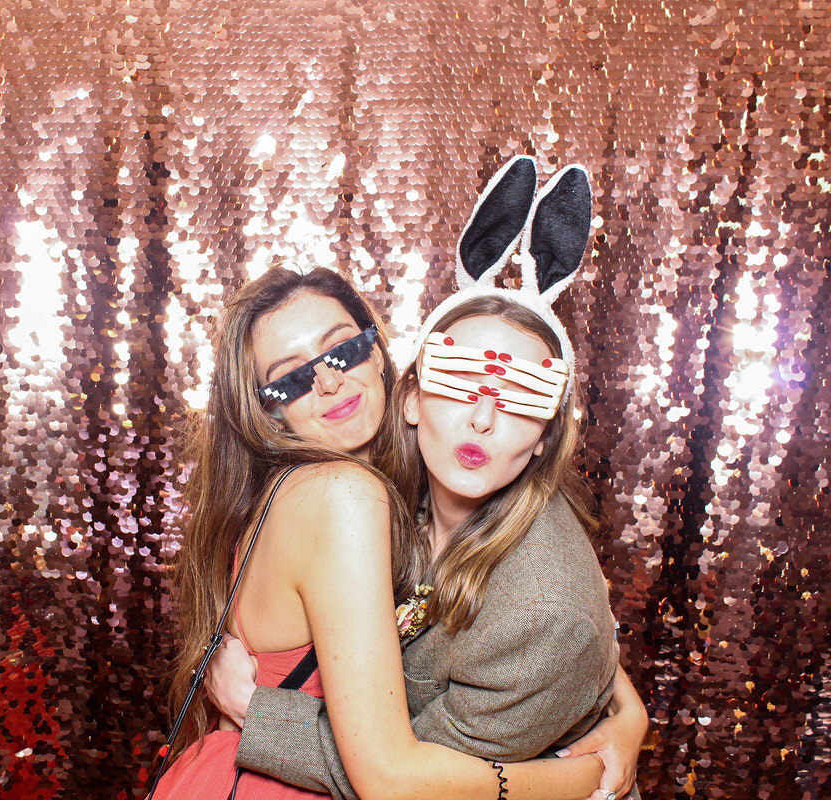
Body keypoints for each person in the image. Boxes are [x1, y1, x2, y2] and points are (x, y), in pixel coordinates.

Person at [206, 159, 645, 800]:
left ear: (547, 434)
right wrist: (621, 703)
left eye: (522, 396)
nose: (484, 418)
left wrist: (595, 763)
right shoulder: (376, 485)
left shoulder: (545, 607)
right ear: (412, 397)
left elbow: (405, 779)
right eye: (292, 376)